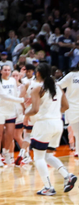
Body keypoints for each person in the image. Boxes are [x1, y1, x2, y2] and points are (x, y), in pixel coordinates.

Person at [25, 64, 76, 195]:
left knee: (38, 158)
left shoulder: (37, 88)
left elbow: (35, 110)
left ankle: (48, 187)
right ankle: (67, 175)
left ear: (37, 74)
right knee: (47, 155)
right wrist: (53, 113)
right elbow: (66, 106)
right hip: (58, 123)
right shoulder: (58, 87)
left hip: (44, 125)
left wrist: (26, 112)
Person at [0, 63, 23, 167]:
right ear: (1, 71)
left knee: (10, 134)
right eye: (5, 70)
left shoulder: (13, 81)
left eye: (9, 70)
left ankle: (6, 152)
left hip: (11, 111)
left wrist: (18, 108)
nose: (7, 72)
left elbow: (14, 94)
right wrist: (20, 100)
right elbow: (4, 96)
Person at [59, 66, 79, 158]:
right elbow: (58, 85)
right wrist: (63, 98)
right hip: (73, 108)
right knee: (77, 131)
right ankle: (77, 150)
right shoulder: (72, 75)